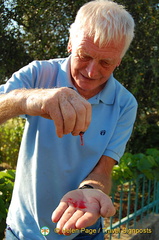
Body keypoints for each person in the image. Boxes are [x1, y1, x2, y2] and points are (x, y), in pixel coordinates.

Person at [0, 0, 138, 239]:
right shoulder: (38, 74)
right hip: (23, 229)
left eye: (106, 62)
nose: (91, 72)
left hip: (85, 229)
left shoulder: (125, 104)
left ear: (119, 61)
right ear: (70, 43)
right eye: (84, 56)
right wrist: (28, 99)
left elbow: (103, 170)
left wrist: (90, 190)